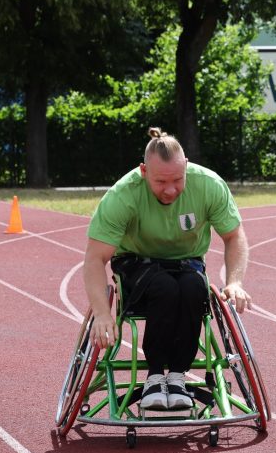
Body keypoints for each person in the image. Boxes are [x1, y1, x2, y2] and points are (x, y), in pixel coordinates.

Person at [84, 127, 251, 410]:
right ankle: (153, 377)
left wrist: (234, 282)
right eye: (161, 181)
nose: (171, 189)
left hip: (188, 263)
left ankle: (176, 375)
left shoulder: (208, 185)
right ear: (144, 171)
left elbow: (234, 237)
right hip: (136, 263)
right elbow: (94, 259)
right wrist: (101, 313)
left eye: (177, 179)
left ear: (186, 167)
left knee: (194, 287)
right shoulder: (123, 195)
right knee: (164, 287)